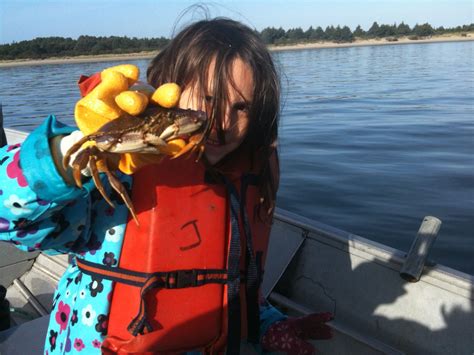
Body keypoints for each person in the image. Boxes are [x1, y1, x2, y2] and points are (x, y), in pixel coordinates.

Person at [0, 18, 332, 354]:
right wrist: (66, 155)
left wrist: (268, 325)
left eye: (241, 107)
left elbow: (234, 286)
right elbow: (11, 219)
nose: (222, 122)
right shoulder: (122, 171)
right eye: (207, 98)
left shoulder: (247, 181)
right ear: (170, 88)